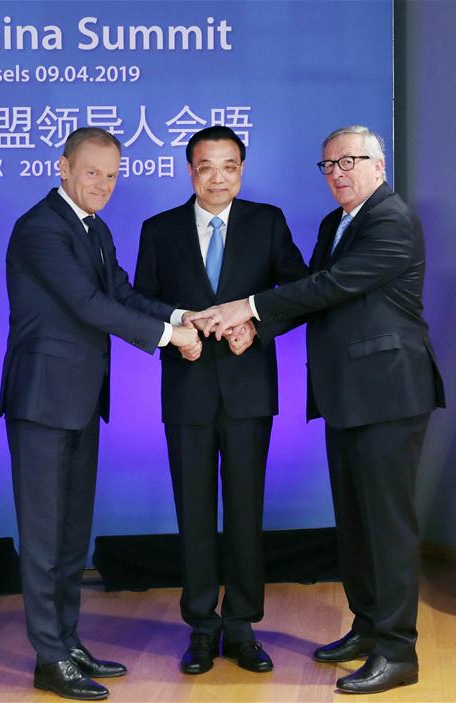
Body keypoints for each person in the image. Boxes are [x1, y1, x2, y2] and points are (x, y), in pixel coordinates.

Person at [190, 125, 445, 695]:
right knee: (355, 524)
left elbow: (332, 286)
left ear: (378, 165)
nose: (338, 173)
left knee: (388, 527)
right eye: (329, 165)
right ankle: (367, 626)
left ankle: (398, 650)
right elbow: (313, 295)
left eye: (349, 161)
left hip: (389, 395)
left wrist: (247, 307)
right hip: (346, 396)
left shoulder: (391, 219)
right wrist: (255, 330)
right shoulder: (337, 223)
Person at [0, 127, 200, 700]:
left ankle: (67, 642)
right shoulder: (40, 228)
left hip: (82, 400)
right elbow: (88, 305)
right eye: (92, 172)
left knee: (72, 535)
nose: (103, 185)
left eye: (112, 175)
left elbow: (121, 294)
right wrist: (170, 337)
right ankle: (49, 657)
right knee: (43, 535)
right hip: (42, 401)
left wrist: (184, 316)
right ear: (63, 167)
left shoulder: (96, 228)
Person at [134, 126, 308, 675]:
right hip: (186, 390)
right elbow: (141, 300)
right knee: (194, 512)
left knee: (245, 511)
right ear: (190, 171)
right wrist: (176, 330)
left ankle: (242, 627)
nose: (218, 178)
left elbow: (299, 290)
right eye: (206, 167)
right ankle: (201, 629)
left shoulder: (267, 221)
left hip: (247, 391)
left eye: (229, 166)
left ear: (241, 170)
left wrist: (257, 327)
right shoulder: (159, 229)